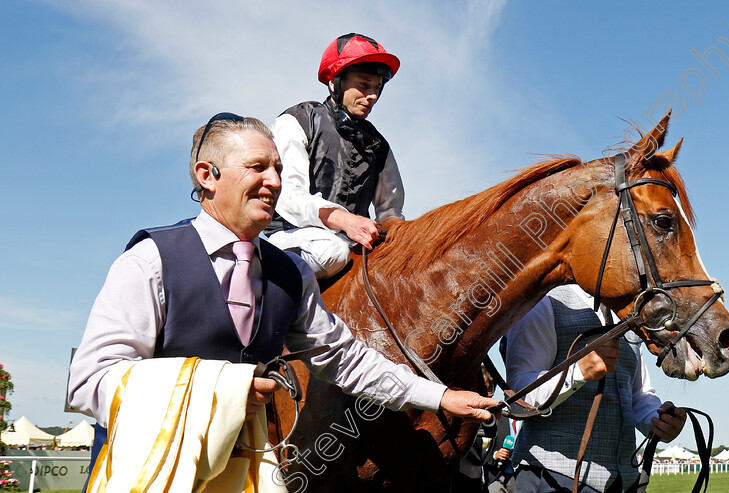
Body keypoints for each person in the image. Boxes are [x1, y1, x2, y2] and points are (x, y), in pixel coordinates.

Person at [67, 113, 497, 489]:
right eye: (258, 167)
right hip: (151, 473)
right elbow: (90, 382)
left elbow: (346, 359)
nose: (275, 181)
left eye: (277, 167)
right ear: (206, 175)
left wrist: (438, 396)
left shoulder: (292, 273)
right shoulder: (150, 261)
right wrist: (222, 389)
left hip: (247, 476)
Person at [502, 285, 686, 493]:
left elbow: (637, 395)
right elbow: (520, 395)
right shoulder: (543, 301)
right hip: (553, 478)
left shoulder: (628, 313)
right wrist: (578, 372)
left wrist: (658, 421)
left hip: (624, 481)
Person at [265, 33, 404, 278]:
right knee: (332, 251)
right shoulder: (298, 120)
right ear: (335, 81)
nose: (372, 95)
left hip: (352, 242)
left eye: (377, 88)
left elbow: (391, 213)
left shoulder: (379, 145)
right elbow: (287, 195)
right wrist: (342, 219)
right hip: (295, 237)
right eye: (363, 84)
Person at [453, 366, 517, 493]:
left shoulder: (502, 419)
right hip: (461, 480)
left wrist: (496, 455)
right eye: (480, 388)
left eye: (489, 389)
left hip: (492, 480)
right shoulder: (461, 418)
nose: (485, 393)